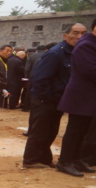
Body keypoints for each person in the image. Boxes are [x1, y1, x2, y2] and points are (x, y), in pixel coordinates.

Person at [22, 23, 87, 169]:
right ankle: (31, 160)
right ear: (65, 36)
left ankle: (44, 159)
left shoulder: (75, 53)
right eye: (75, 33)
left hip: (58, 100)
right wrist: (45, 98)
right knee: (40, 131)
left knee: (51, 131)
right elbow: (40, 79)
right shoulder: (56, 53)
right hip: (45, 99)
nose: (79, 37)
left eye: (83, 33)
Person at [55, 18, 96, 176]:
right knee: (75, 130)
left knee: (84, 130)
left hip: (89, 97)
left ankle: (76, 159)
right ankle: (64, 161)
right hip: (81, 96)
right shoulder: (86, 45)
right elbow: (90, 70)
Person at [21, 44, 48, 114]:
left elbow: (27, 68)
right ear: (45, 49)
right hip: (45, 77)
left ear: (37, 50)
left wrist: (27, 76)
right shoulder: (48, 55)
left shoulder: (32, 56)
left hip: (32, 76)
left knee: (29, 92)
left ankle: (26, 107)